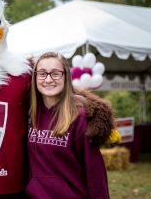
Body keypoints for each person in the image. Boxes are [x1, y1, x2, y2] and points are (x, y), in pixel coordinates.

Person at [26, 52, 110, 199]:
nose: (48, 79)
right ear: (34, 78)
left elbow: (95, 173)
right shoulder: (28, 115)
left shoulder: (80, 117)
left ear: (66, 77)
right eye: (42, 73)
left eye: (55, 73)